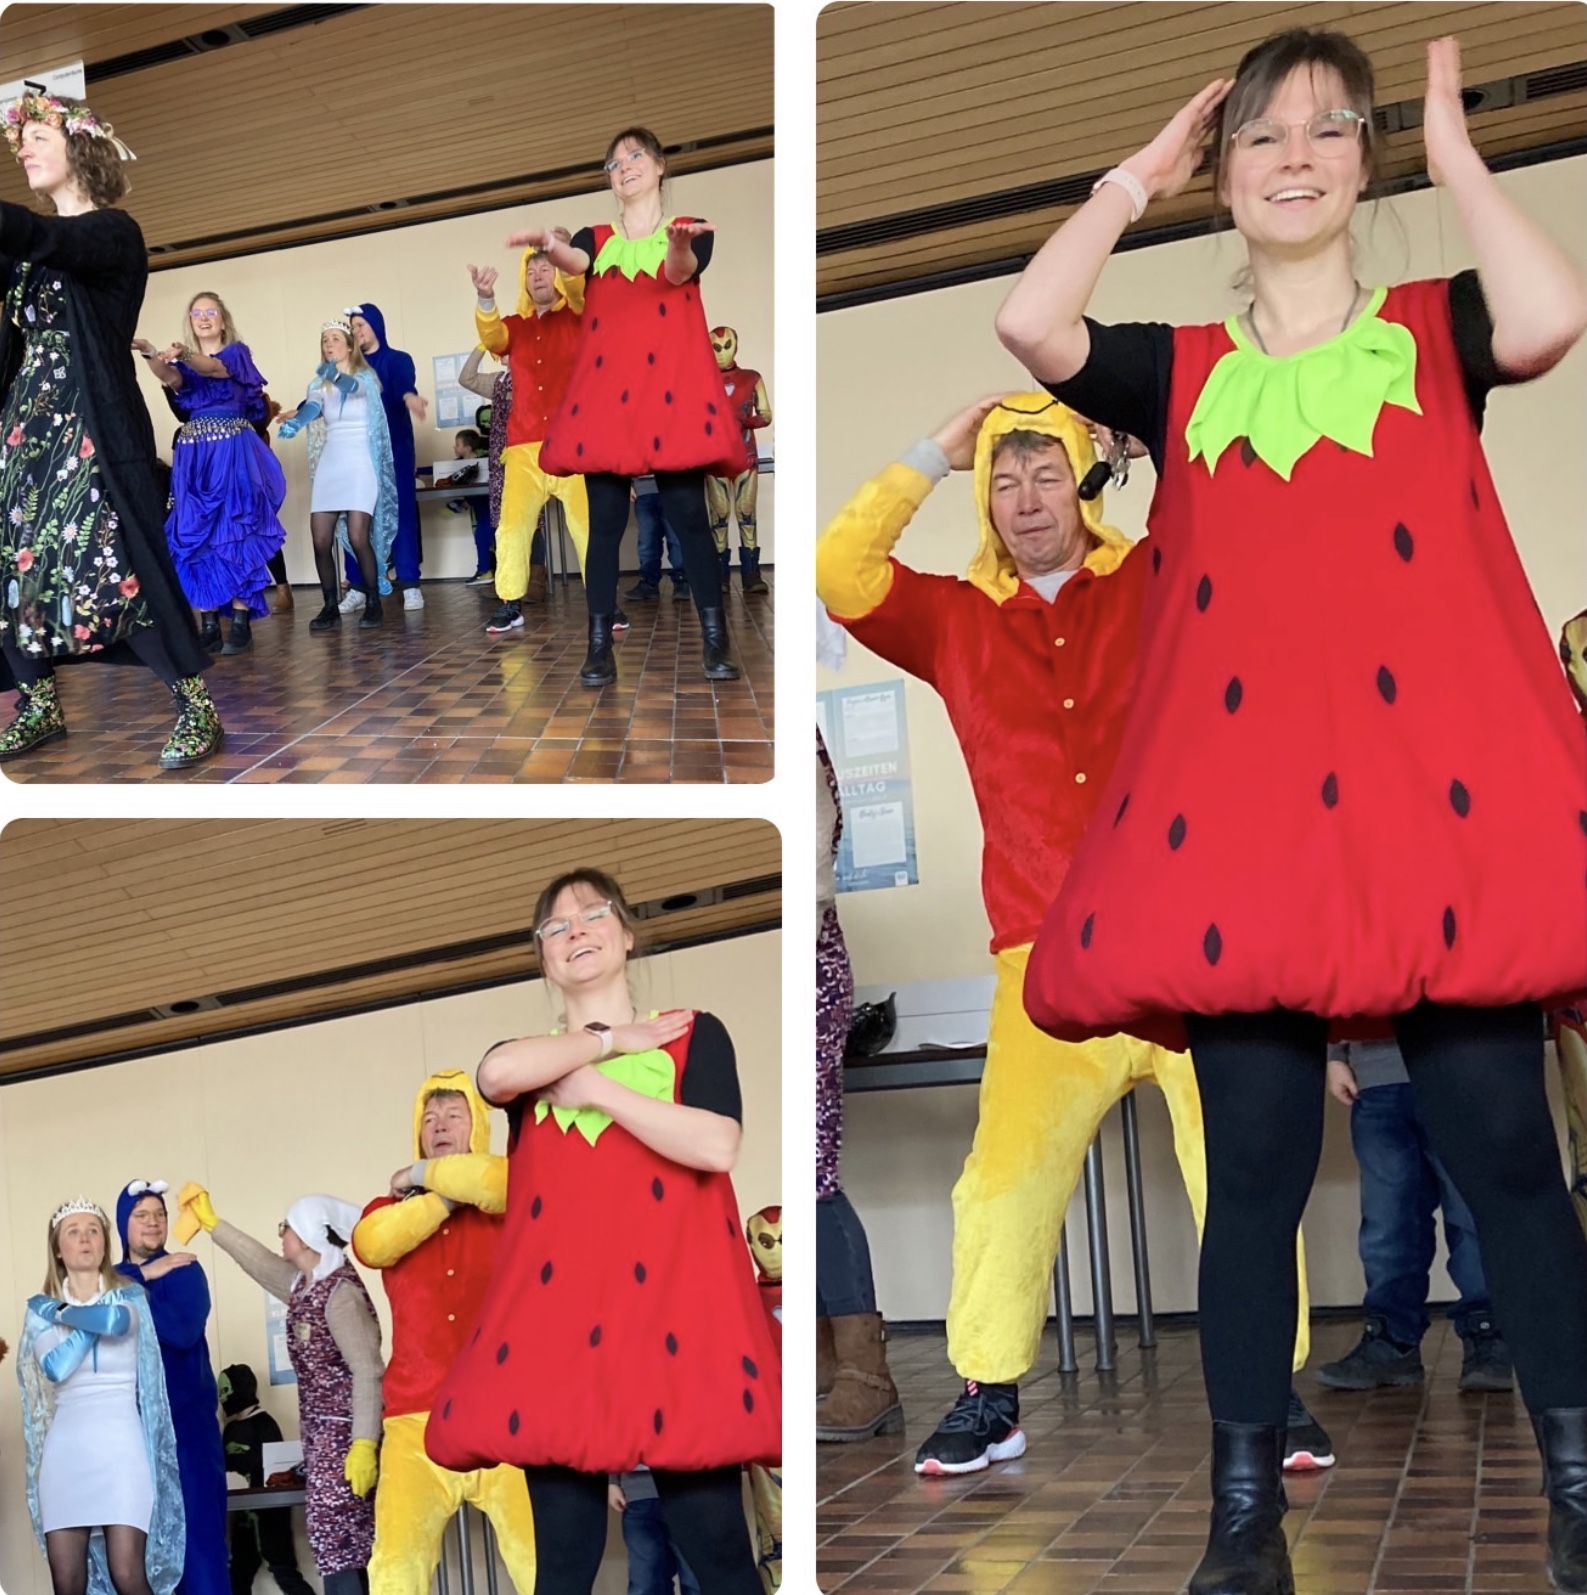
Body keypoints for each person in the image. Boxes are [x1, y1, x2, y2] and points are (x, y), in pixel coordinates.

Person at [999, 29, 1587, 1595]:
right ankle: (1242, 1522)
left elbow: (1548, 315)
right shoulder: (1171, 373)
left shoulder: (1428, 331)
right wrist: (1135, 174)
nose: (1294, 153)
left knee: (1506, 1157)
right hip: (1241, 841)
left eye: (1330, 131)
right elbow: (1026, 318)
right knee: (1250, 1176)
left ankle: (1582, 1492)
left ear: (1361, 168)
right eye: (1261, 133)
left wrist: (1459, 157)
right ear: (1224, 169)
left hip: (1431, 829)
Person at [816, 394, 1326, 1475]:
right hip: (1047, 962)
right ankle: (990, 1393)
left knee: (1239, 1169)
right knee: (1003, 1182)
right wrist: (931, 450)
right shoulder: (953, 618)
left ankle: (1271, 1391)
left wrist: (1161, 434)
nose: (1025, 499)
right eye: (1004, 479)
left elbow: (1244, 525)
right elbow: (842, 573)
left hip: (1197, 948)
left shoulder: (1156, 581)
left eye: (1046, 474)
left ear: (1085, 483)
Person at [424, 867, 779, 1595]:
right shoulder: (534, 1060)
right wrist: (608, 1039)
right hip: (559, 1332)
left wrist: (594, 1088)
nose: (575, 930)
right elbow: (496, 1074)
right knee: (563, 1561)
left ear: (625, 932)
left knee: (716, 1547)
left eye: (592, 914)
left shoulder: (693, 1033)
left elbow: (716, 1144)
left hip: (677, 1317)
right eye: (556, 926)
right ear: (543, 956)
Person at [0, 91, 223, 770]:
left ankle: (195, 704)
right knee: (13, 567)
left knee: (120, 560)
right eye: (21, 141)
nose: (22, 148)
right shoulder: (28, 262)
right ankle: (37, 702)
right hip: (23, 437)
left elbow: (48, 238)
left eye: (39, 135)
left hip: (93, 435)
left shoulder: (112, 233)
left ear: (83, 148)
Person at [507, 127, 749, 686]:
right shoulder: (597, 236)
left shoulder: (690, 228)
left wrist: (682, 242)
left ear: (660, 165)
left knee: (689, 516)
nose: (625, 167)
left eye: (635, 156)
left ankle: (715, 639)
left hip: (670, 391)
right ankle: (598, 647)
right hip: (606, 396)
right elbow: (572, 260)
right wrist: (547, 241)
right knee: (605, 524)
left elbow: (676, 273)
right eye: (614, 163)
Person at [350, 1070, 537, 1595]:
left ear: (475, 1126)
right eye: (430, 1119)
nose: (440, 1125)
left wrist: (422, 1174)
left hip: (504, 1412)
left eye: (454, 1116)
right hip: (415, 1419)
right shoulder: (390, 1209)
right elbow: (371, 1244)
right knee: (396, 1567)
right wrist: (441, 1197)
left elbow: (499, 1184)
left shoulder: (508, 1191)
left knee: (540, 1563)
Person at [175, 1188, 384, 1595]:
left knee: (344, 1544)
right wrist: (215, 1226)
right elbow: (261, 1265)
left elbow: (367, 1370)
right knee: (332, 1542)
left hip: (346, 1440)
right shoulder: (307, 1285)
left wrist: (363, 1444)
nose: (281, 1234)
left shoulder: (339, 1294)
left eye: (286, 1227)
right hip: (323, 1444)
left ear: (306, 1235)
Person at [1318, 1042, 1514, 1394]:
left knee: (1472, 1213)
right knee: (1387, 1220)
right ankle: (1392, 1339)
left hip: (1463, 1062)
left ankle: (1487, 1335)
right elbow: (1333, 985)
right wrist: (1335, 1056)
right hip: (1375, 1072)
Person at [15, 1197, 184, 1595]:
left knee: (128, 1574)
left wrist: (60, 1313)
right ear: (58, 1248)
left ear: (105, 1243)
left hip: (121, 1450)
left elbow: (113, 1320)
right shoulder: (36, 1311)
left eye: (93, 1230)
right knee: (68, 1583)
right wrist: (79, 1314)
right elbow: (56, 1367)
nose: (85, 1239)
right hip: (67, 1453)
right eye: (73, 1232)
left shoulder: (129, 1297)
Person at [812, 727, 902, 1444]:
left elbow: (811, 864)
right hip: (802, 957)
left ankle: (864, 1373)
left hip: (809, 959)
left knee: (815, 1173)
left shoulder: (797, 741)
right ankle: (824, 1364)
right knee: (805, 1168)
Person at [133, 292, 287, 655]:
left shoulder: (236, 353)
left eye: (210, 312)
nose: (203, 318)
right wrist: (151, 353)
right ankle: (207, 624)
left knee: (236, 530)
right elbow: (171, 378)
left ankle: (240, 622)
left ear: (222, 319)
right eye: (196, 313)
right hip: (194, 456)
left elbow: (213, 369)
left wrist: (183, 353)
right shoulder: (183, 363)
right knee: (193, 532)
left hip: (232, 451)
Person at [113, 1181, 230, 1595]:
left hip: (187, 1435)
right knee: (137, 1558)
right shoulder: (118, 1278)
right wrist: (139, 1274)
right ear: (122, 1224)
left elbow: (180, 1331)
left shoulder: (184, 1268)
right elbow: (81, 1302)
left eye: (159, 1214)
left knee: (199, 1550)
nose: (153, 1222)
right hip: (133, 1438)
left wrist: (131, 1285)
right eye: (141, 1215)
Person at [468, 247, 588, 636]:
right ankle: (510, 604)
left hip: (573, 443)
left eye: (546, 268)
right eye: (531, 269)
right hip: (522, 449)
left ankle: (605, 603)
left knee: (588, 528)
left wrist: (569, 261)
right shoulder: (514, 326)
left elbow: (583, 293)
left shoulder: (576, 317)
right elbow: (492, 336)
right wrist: (486, 297)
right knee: (512, 528)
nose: (537, 275)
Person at [275, 318, 397, 634]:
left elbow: (352, 389)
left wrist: (335, 375)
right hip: (333, 460)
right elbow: (313, 407)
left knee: (359, 536)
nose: (329, 344)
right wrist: (296, 422)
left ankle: (373, 602)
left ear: (349, 343)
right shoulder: (318, 384)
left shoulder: (366, 377)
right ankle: (330, 606)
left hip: (360, 462)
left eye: (334, 338)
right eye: (324, 340)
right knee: (320, 538)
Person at [344, 304, 425, 610]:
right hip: (357, 455)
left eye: (361, 325)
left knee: (402, 515)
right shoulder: (347, 367)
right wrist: (301, 409)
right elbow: (325, 392)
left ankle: (410, 585)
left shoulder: (397, 360)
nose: (356, 331)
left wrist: (410, 397)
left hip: (395, 454)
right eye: (352, 327)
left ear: (376, 325)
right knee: (356, 520)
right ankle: (358, 587)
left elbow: (404, 385)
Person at [220, 1363, 317, 1595]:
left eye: (225, 1391)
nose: (222, 1398)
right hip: (242, 1512)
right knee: (238, 1575)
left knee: (283, 1569)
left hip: (269, 1511)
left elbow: (274, 1468)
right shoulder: (231, 1428)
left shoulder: (264, 1423)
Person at [704, 326, 771, 594]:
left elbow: (766, 414)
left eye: (726, 346)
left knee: (747, 515)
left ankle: (751, 574)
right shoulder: (701, 379)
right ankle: (720, 574)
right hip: (715, 460)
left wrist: (747, 420)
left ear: (736, 346)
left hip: (745, 458)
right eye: (715, 348)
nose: (721, 353)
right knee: (718, 517)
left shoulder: (751, 378)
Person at [610, 1471, 701, 1595]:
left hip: (690, 1488)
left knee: (693, 1577)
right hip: (637, 1492)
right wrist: (612, 1481)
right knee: (646, 1579)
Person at [626, 478, 688, 602]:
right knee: (647, 541)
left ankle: (681, 581)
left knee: (676, 539)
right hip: (642, 489)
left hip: (673, 486)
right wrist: (627, 484)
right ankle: (649, 582)